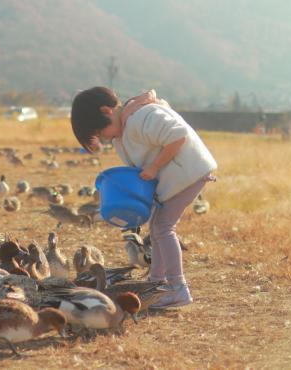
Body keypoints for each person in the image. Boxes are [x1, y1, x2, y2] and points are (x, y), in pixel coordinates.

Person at [70, 86, 217, 309]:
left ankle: (178, 288)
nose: (103, 138)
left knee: (163, 228)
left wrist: (154, 167)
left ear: (107, 111)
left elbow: (178, 136)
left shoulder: (141, 117)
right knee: (157, 227)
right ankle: (157, 283)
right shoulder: (122, 135)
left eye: (101, 132)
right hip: (175, 180)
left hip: (189, 172)